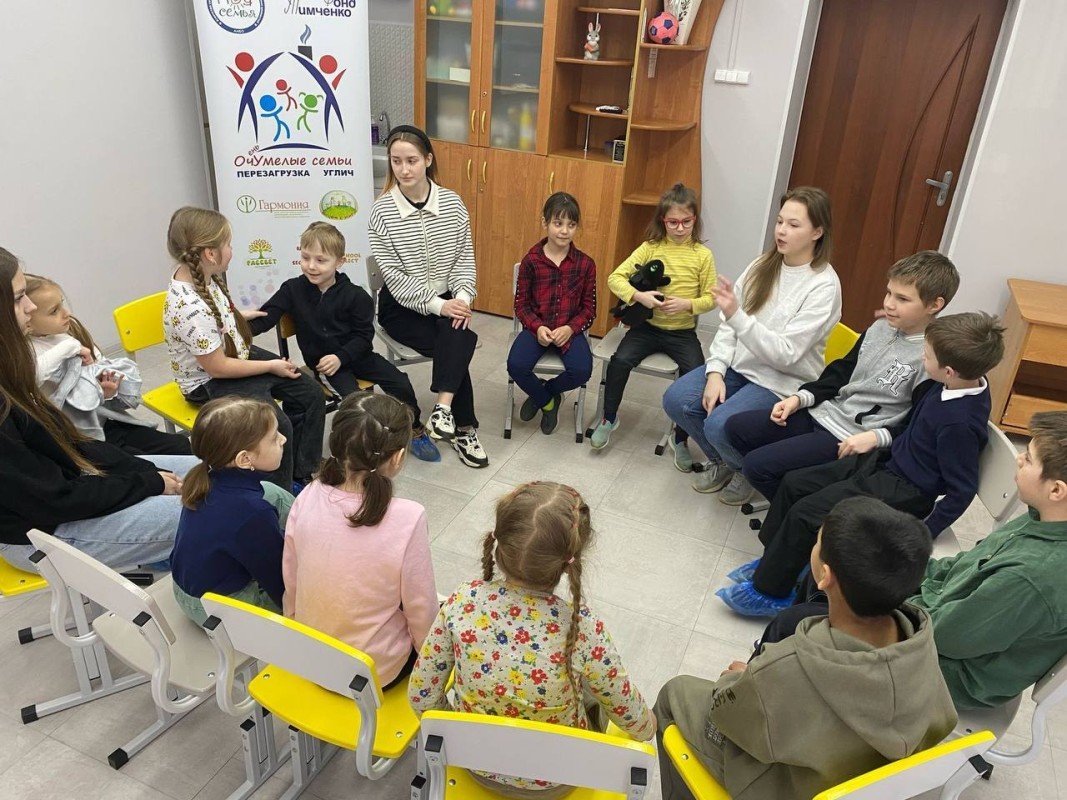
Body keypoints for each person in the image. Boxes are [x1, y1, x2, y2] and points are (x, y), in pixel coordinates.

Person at [655, 497, 957, 800]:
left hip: (791, 786)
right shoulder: (920, 638)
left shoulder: (788, 665)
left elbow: (730, 718)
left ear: (825, 575)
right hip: (867, 779)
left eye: (817, 542)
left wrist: (739, 680)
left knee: (675, 692)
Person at [719, 312, 1005, 617]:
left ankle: (770, 592)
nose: (922, 357)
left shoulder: (959, 423)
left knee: (805, 513)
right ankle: (776, 563)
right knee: (794, 485)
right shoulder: (955, 381)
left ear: (948, 371)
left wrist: (927, 530)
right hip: (885, 461)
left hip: (906, 488)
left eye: (927, 355)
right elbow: (910, 426)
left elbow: (962, 489)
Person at [409, 481, 655, 798]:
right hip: (557, 781)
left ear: (499, 544)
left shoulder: (463, 602)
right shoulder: (583, 628)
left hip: (475, 765)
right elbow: (633, 719)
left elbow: (421, 697)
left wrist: (458, 734)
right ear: (570, 560)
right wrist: (651, 724)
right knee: (593, 690)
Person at [0, 246, 194, 572]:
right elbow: (53, 499)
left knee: (216, 473)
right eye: (20, 298)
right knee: (220, 507)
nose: (31, 306)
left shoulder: (12, 369)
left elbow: (74, 446)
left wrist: (145, 474)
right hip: (39, 531)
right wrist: (149, 484)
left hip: (70, 485)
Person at [723, 251, 959, 506]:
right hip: (826, 412)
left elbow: (916, 424)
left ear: (934, 305)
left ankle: (801, 508)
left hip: (850, 435)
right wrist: (799, 398)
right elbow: (841, 372)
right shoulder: (880, 327)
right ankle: (797, 498)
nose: (889, 304)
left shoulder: (932, 359)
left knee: (756, 466)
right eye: (889, 293)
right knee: (736, 428)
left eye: (902, 299)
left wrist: (877, 437)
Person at [662, 187, 842, 503]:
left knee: (719, 424)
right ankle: (726, 462)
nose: (781, 231)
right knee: (677, 400)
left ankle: (747, 471)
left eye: (793, 225)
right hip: (740, 367)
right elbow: (728, 327)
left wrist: (737, 316)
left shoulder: (824, 285)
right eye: (780, 221)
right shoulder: (763, 265)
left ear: (817, 231)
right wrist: (716, 371)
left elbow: (785, 355)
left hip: (781, 381)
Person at [246, 221, 440, 462]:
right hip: (327, 365)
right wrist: (235, 330)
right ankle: (358, 449)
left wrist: (342, 356)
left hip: (358, 356)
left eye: (320, 260)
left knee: (400, 382)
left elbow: (364, 337)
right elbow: (266, 318)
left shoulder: (356, 296)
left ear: (339, 262)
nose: (311, 266)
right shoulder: (292, 289)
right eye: (305, 258)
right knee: (355, 403)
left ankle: (414, 427)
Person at [163, 206, 326, 491]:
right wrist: (271, 366)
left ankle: (300, 472)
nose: (232, 250)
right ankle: (279, 495)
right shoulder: (189, 307)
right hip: (208, 381)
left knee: (310, 393)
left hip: (231, 355)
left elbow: (213, 321)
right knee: (275, 424)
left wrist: (235, 316)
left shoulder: (199, 273)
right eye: (228, 244)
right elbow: (218, 367)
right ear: (210, 254)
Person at [283, 392, 436, 688]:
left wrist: (297, 625)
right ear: (398, 457)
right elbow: (421, 607)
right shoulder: (409, 516)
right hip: (373, 675)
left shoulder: (309, 494)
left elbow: (292, 577)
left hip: (311, 656)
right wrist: (429, 659)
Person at [368, 125, 487, 468]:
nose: (404, 170)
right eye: (396, 161)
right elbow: (394, 277)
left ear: (428, 160)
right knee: (456, 342)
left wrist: (461, 299)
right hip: (401, 308)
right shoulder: (381, 212)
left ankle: (443, 411)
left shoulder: (452, 203)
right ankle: (463, 428)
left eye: (412, 161)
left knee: (454, 334)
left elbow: (464, 259)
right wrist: (440, 306)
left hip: (449, 298)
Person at [589, 183, 716, 455]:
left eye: (686, 222)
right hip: (647, 328)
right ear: (663, 220)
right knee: (620, 361)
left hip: (681, 333)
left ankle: (680, 437)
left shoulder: (703, 255)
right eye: (673, 222)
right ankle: (609, 418)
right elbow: (614, 278)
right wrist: (639, 296)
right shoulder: (650, 247)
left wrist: (688, 304)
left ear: (695, 219)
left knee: (697, 374)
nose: (680, 228)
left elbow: (711, 298)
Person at [24, 273, 192, 456]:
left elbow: (95, 379)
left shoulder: (72, 331)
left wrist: (105, 392)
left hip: (105, 423)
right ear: (27, 321)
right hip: (79, 439)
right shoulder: (27, 351)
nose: (66, 313)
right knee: (145, 464)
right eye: (53, 311)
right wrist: (70, 347)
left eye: (62, 304)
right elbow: (32, 374)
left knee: (180, 445)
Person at [170, 397, 292, 626]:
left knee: (271, 491)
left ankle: (313, 524)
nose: (283, 439)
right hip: (215, 611)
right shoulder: (253, 513)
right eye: (274, 438)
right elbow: (280, 583)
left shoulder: (207, 478)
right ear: (244, 459)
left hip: (184, 588)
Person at [507, 192, 597, 435]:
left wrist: (570, 328)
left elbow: (589, 309)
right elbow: (521, 305)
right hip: (537, 329)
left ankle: (546, 393)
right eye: (558, 223)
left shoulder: (586, 264)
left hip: (569, 331)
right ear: (544, 222)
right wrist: (537, 327)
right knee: (516, 366)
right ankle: (548, 402)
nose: (564, 231)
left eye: (571, 224)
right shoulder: (531, 261)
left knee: (582, 371)